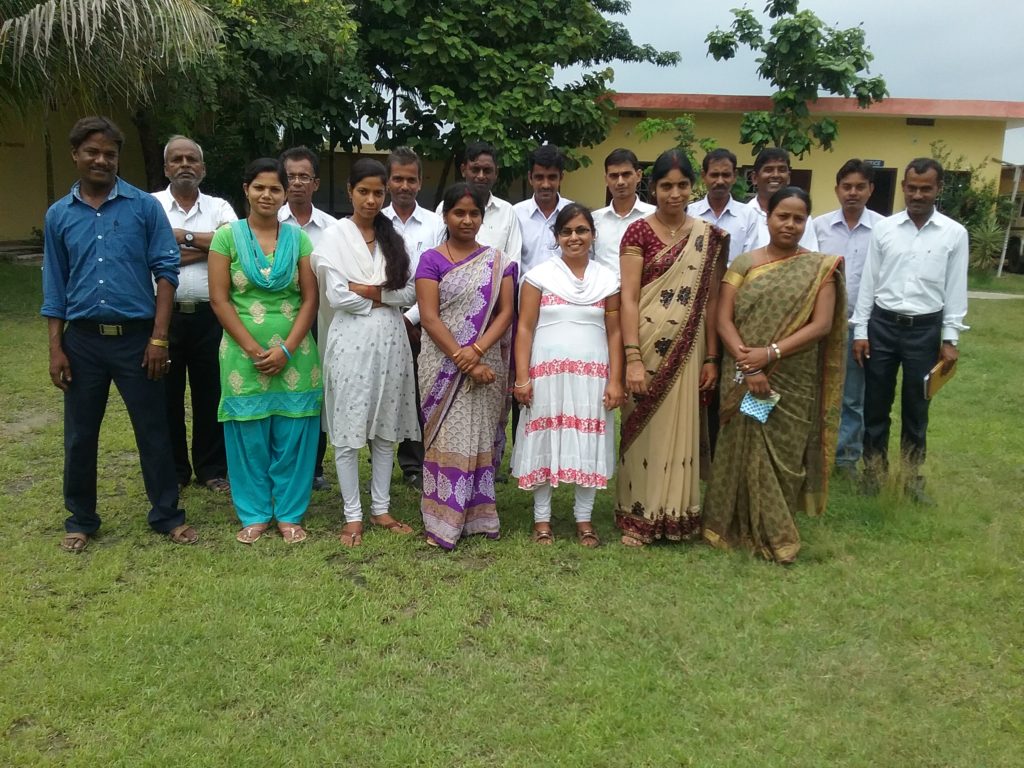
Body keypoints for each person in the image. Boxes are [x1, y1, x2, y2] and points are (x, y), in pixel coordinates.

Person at [41, 116, 197, 552]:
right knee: (80, 434)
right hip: (82, 341)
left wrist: (159, 338)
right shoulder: (59, 215)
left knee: (153, 429)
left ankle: (166, 515)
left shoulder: (143, 208)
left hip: (137, 339)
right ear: (75, 155)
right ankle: (81, 519)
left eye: (109, 153)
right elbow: (54, 285)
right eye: (92, 152)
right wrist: (56, 349)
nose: (101, 160)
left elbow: (166, 272)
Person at [703, 187, 846, 564]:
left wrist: (771, 353)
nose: (790, 224)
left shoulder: (820, 268)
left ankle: (775, 530)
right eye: (783, 216)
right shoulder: (744, 264)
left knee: (782, 454)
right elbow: (722, 319)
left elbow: (821, 325)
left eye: (798, 218)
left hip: (791, 375)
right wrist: (750, 364)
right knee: (743, 443)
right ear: (767, 218)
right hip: (744, 372)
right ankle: (731, 526)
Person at [615, 149, 727, 547]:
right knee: (644, 428)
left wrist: (712, 356)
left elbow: (712, 301)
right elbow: (629, 298)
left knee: (681, 425)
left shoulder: (708, 236)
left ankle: (678, 514)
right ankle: (637, 515)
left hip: (690, 345)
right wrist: (632, 357)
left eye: (682, 185)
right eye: (666, 186)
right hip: (645, 344)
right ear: (653, 188)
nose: (674, 194)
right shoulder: (638, 233)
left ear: (692, 187)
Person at [208, 158, 322, 544]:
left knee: (294, 434)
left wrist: (286, 350)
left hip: (296, 355)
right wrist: (255, 349)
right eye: (259, 187)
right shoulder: (226, 237)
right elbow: (220, 299)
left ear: (285, 194)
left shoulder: (298, 239)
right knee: (248, 437)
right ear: (246, 190)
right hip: (243, 355)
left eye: (275, 188)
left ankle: (290, 514)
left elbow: (310, 299)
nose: (267, 195)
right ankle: (254, 513)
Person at [312, 158, 420, 547]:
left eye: (378, 193)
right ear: (350, 192)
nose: (371, 200)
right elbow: (337, 296)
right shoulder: (334, 236)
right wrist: (385, 296)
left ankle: (381, 508)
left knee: (386, 429)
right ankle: (352, 515)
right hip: (350, 343)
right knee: (348, 431)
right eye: (364, 192)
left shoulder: (394, 236)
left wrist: (369, 290)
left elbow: (410, 292)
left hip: (392, 342)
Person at [852, 158, 968, 503]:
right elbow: (869, 282)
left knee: (917, 408)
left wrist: (950, 338)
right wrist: (861, 331)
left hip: (925, 330)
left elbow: (955, 288)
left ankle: (911, 477)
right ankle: (874, 472)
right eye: (912, 188)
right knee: (875, 405)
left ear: (938, 189)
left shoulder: (954, 234)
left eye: (925, 189)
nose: (918, 195)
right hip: (883, 326)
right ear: (903, 187)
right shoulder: (884, 229)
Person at [511, 203, 624, 547]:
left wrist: (616, 380)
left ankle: (584, 519)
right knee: (545, 441)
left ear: (593, 235)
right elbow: (525, 328)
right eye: (567, 231)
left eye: (582, 230)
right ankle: (541, 520)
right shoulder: (539, 277)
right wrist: (522, 377)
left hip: (592, 376)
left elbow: (615, 332)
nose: (574, 237)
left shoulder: (607, 280)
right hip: (547, 374)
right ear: (557, 236)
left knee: (588, 440)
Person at [416, 183, 517, 550]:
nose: (467, 220)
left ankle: (478, 516)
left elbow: (506, 313)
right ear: (445, 216)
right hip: (441, 362)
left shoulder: (498, 261)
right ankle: (443, 519)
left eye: (474, 213)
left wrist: (477, 350)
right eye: (459, 212)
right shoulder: (431, 260)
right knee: (447, 436)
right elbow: (429, 317)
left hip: (485, 360)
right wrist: (465, 360)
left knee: (479, 436)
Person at [152, 135, 237, 494]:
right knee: (165, 396)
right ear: (166, 167)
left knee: (211, 393)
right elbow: (145, 251)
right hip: (162, 317)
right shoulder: (151, 205)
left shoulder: (220, 207)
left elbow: (232, 247)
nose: (185, 164)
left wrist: (179, 238)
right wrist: (207, 247)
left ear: (203, 168)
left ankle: (211, 468)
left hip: (210, 317)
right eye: (177, 159)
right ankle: (174, 470)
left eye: (192, 159)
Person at [814, 159, 884, 481]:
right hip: (820, 325)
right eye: (847, 187)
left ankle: (845, 458)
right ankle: (813, 452)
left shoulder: (883, 229)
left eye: (860, 187)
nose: (852, 193)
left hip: (860, 326)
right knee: (815, 390)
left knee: (853, 397)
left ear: (871, 189)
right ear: (837, 190)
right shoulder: (819, 227)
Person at [382, 147, 446, 490]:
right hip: (380, 316)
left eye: (411, 179)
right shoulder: (375, 221)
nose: (404, 186)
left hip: (424, 321)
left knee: (421, 391)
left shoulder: (436, 225)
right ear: (388, 181)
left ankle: (415, 462)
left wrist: (410, 319)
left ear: (420, 182)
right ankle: (382, 457)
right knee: (386, 389)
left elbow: (438, 278)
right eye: (398, 179)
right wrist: (397, 318)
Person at [278, 146, 338, 491]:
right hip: (280, 318)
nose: (297, 183)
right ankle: (283, 464)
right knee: (283, 388)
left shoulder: (332, 228)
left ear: (315, 183)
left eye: (304, 176)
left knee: (317, 389)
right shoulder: (269, 222)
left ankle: (314, 466)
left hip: (323, 319)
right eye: (291, 176)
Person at [437, 141, 522, 263]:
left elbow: (513, 261)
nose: (481, 176)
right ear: (463, 170)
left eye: (487, 170)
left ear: (496, 173)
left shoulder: (506, 211)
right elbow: (438, 252)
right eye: (475, 169)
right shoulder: (446, 207)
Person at [688, 147, 758, 266]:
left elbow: (750, 260)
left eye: (726, 175)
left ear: (734, 176)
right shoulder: (689, 214)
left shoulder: (749, 216)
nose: (720, 181)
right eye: (714, 175)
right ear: (704, 176)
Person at [592, 148, 655, 275]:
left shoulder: (654, 216)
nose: (620, 182)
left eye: (626, 174)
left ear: (638, 175)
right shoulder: (594, 220)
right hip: (603, 287)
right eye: (614, 176)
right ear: (606, 179)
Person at [513, 144, 573, 274]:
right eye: (539, 177)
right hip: (526, 286)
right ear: (530, 178)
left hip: (565, 286)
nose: (545, 185)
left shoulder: (574, 214)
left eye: (552, 177)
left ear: (561, 177)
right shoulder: (515, 214)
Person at [745, 147, 819, 251]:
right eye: (768, 170)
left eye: (782, 170)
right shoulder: (743, 215)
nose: (775, 175)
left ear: (788, 177)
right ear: (754, 178)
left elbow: (810, 256)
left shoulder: (800, 217)